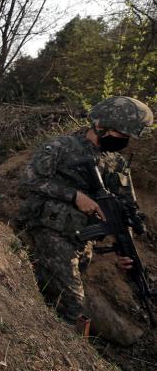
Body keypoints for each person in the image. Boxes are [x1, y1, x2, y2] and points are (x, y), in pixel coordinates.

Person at [18, 96, 153, 324]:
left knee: (52, 291)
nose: (125, 141)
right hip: (51, 231)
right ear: (100, 127)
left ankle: (34, 318)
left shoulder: (116, 163)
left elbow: (125, 208)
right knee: (73, 305)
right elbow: (29, 180)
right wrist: (75, 196)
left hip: (83, 240)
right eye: (121, 135)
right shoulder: (61, 147)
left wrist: (124, 249)